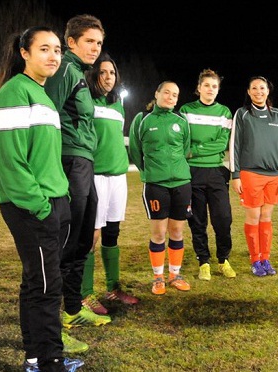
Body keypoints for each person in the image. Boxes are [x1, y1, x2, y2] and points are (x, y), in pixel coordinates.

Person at [0, 26, 83, 372]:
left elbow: (44, 157)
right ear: (24, 53)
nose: (53, 56)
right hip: (31, 206)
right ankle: (49, 362)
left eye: (57, 50)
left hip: (52, 202)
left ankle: (35, 358)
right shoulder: (13, 94)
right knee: (45, 286)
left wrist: (61, 197)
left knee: (38, 281)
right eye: (44, 49)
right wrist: (41, 206)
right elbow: (11, 163)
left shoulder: (42, 95)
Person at [44, 14, 112, 339]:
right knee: (66, 243)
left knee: (83, 240)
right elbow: (47, 116)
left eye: (99, 43)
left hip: (85, 163)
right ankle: (51, 325)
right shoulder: (66, 70)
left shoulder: (80, 75)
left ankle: (72, 311)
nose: (96, 48)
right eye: (89, 41)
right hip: (69, 162)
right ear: (71, 42)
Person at [79, 52, 139, 315]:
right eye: (102, 72)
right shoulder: (86, 102)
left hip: (118, 176)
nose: (107, 77)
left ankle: (113, 287)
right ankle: (85, 295)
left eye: (112, 73)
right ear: (93, 75)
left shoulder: (118, 106)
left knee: (112, 233)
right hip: (95, 176)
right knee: (91, 236)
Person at [128, 81, 193, 294]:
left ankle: (175, 274)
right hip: (156, 185)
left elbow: (185, 149)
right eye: (167, 92)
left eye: (175, 94)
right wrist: (149, 174)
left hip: (182, 184)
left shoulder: (181, 121)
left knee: (176, 231)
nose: (171, 97)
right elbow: (136, 151)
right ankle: (158, 277)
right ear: (157, 94)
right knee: (158, 234)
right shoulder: (142, 119)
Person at [229, 76, 278, 277]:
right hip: (250, 174)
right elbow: (235, 145)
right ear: (248, 92)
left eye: (262, 88)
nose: (258, 91)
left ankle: (265, 258)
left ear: (268, 91)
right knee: (253, 216)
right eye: (254, 88)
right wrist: (235, 174)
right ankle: (255, 259)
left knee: (267, 217)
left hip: (274, 175)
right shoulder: (242, 114)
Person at [179, 69, 236, 281]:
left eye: (214, 86)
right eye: (206, 85)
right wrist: (194, 149)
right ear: (199, 88)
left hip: (216, 171)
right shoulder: (186, 110)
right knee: (197, 220)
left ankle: (223, 259)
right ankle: (203, 261)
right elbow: (184, 141)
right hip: (192, 172)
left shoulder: (225, 112)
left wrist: (195, 149)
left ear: (218, 89)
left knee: (223, 218)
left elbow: (222, 143)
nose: (210, 89)